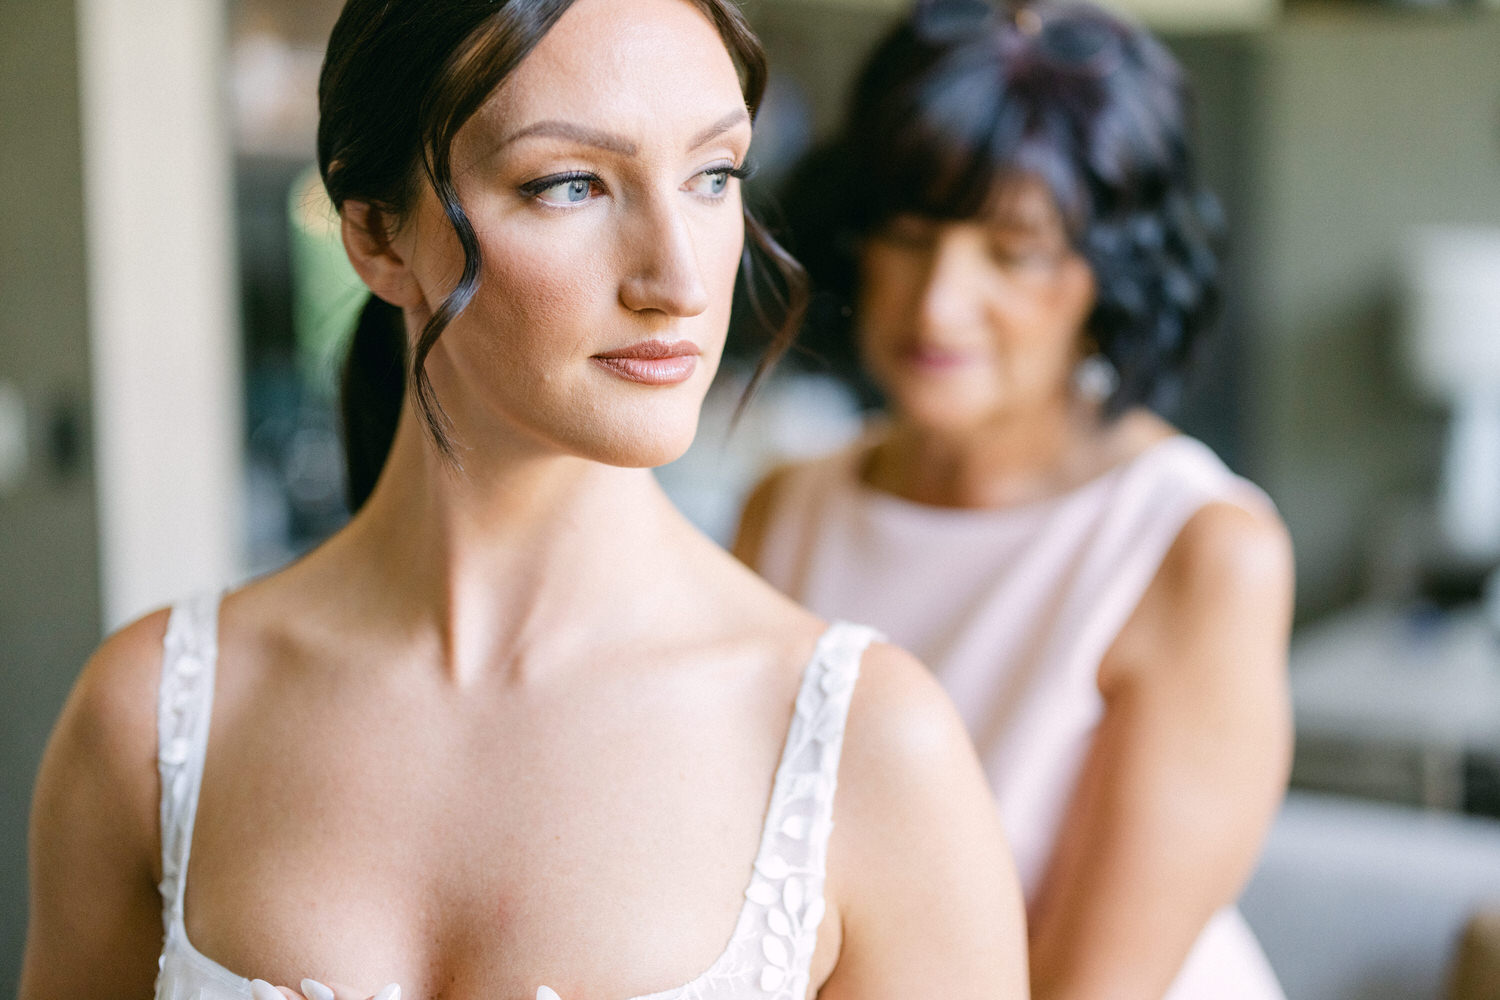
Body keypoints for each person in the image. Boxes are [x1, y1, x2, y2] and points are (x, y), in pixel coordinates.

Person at [19, 2, 1029, 999]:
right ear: (377, 235)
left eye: (714, 175)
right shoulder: (152, 717)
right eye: (570, 185)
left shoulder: (868, 750)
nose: (678, 278)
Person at [735, 2, 1294, 998]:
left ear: (1108, 272)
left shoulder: (1199, 550)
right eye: (908, 234)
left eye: (1014, 249)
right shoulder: (789, 510)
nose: (939, 301)